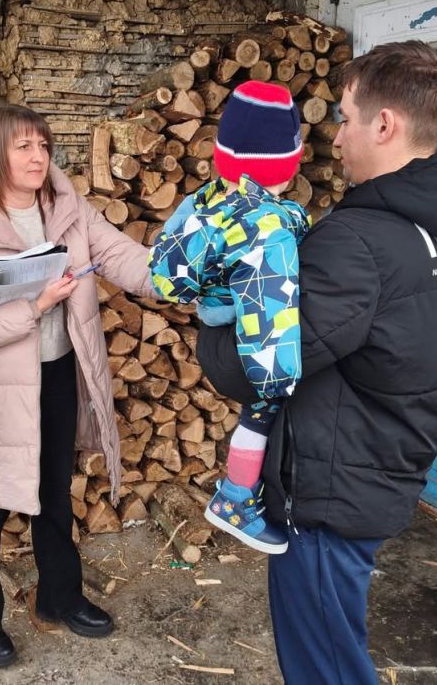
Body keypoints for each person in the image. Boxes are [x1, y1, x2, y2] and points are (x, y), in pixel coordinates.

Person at [194, 41, 437, 684]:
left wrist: (213, 314)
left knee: (326, 667)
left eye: (345, 116)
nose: (335, 137)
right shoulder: (435, 228)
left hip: (331, 493)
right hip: (378, 463)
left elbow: (251, 366)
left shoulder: (359, 243)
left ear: (384, 124)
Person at [0, 104, 153, 668]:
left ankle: (59, 597)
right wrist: (34, 307)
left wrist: (177, 276)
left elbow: (121, 256)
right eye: (22, 146)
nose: (37, 157)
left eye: (43, 146)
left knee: (53, 493)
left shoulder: (69, 212)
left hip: (56, 374)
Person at [148, 81, 309, 553]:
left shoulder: (206, 199)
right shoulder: (267, 227)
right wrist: (281, 380)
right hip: (245, 331)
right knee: (263, 409)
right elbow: (268, 301)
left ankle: (238, 492)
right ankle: (236, 498)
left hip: (213, 319)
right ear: (288, 161)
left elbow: (166, 256)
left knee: (254, 413)